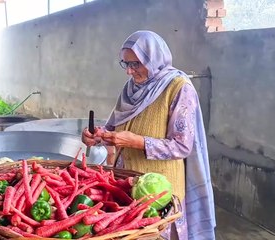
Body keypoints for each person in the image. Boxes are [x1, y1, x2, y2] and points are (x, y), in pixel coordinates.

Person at [82, 31, 216, 240]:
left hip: (159, 189)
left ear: (153, 58)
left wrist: (136, 142)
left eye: (135, 64)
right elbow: (112, 128)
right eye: (125, 64)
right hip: (125, 184)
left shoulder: (178, 88)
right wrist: (97, 135)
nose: (129, 71)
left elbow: (182, 146)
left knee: (155, 233)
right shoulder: (130, 88)